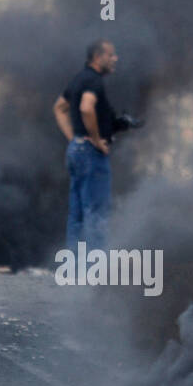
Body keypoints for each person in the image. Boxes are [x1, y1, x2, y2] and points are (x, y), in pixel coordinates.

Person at [53, 39, 118, 251]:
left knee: (77, 214)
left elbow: (59, 108)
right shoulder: (93, 81)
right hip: (91, 155)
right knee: (96, 213)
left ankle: (74, 271)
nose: (115, 58)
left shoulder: (79, 79)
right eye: (111, 55)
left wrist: (75, 138)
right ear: (98, 58)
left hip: (77, 151)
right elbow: (86, 108)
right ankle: (95, 274)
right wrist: (97, 140)